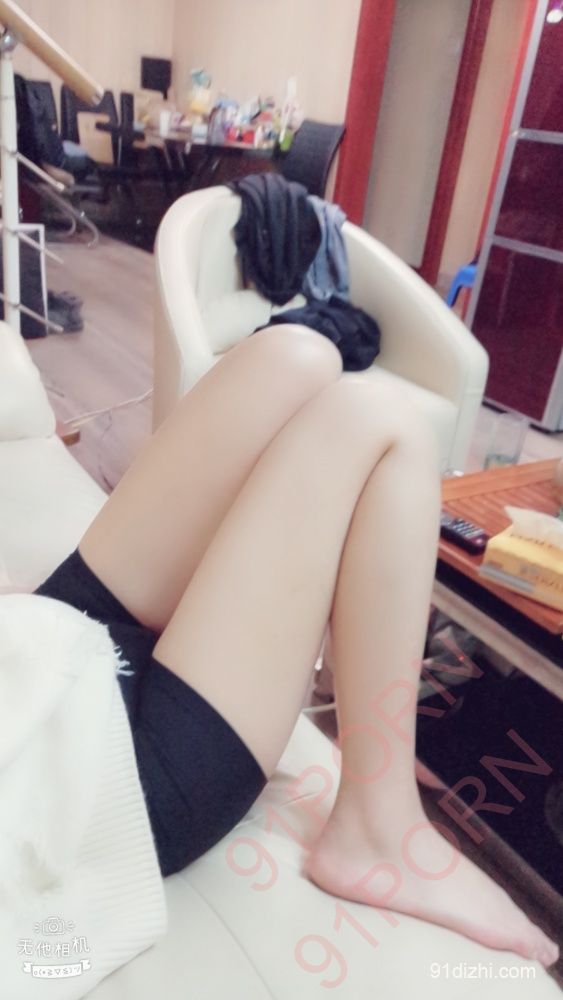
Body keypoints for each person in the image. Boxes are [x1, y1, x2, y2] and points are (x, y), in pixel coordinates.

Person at [34, 326, 558, 968]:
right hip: (82, 777)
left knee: (293, 355)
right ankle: (378, 827)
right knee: (380, 423)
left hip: (33, 653)